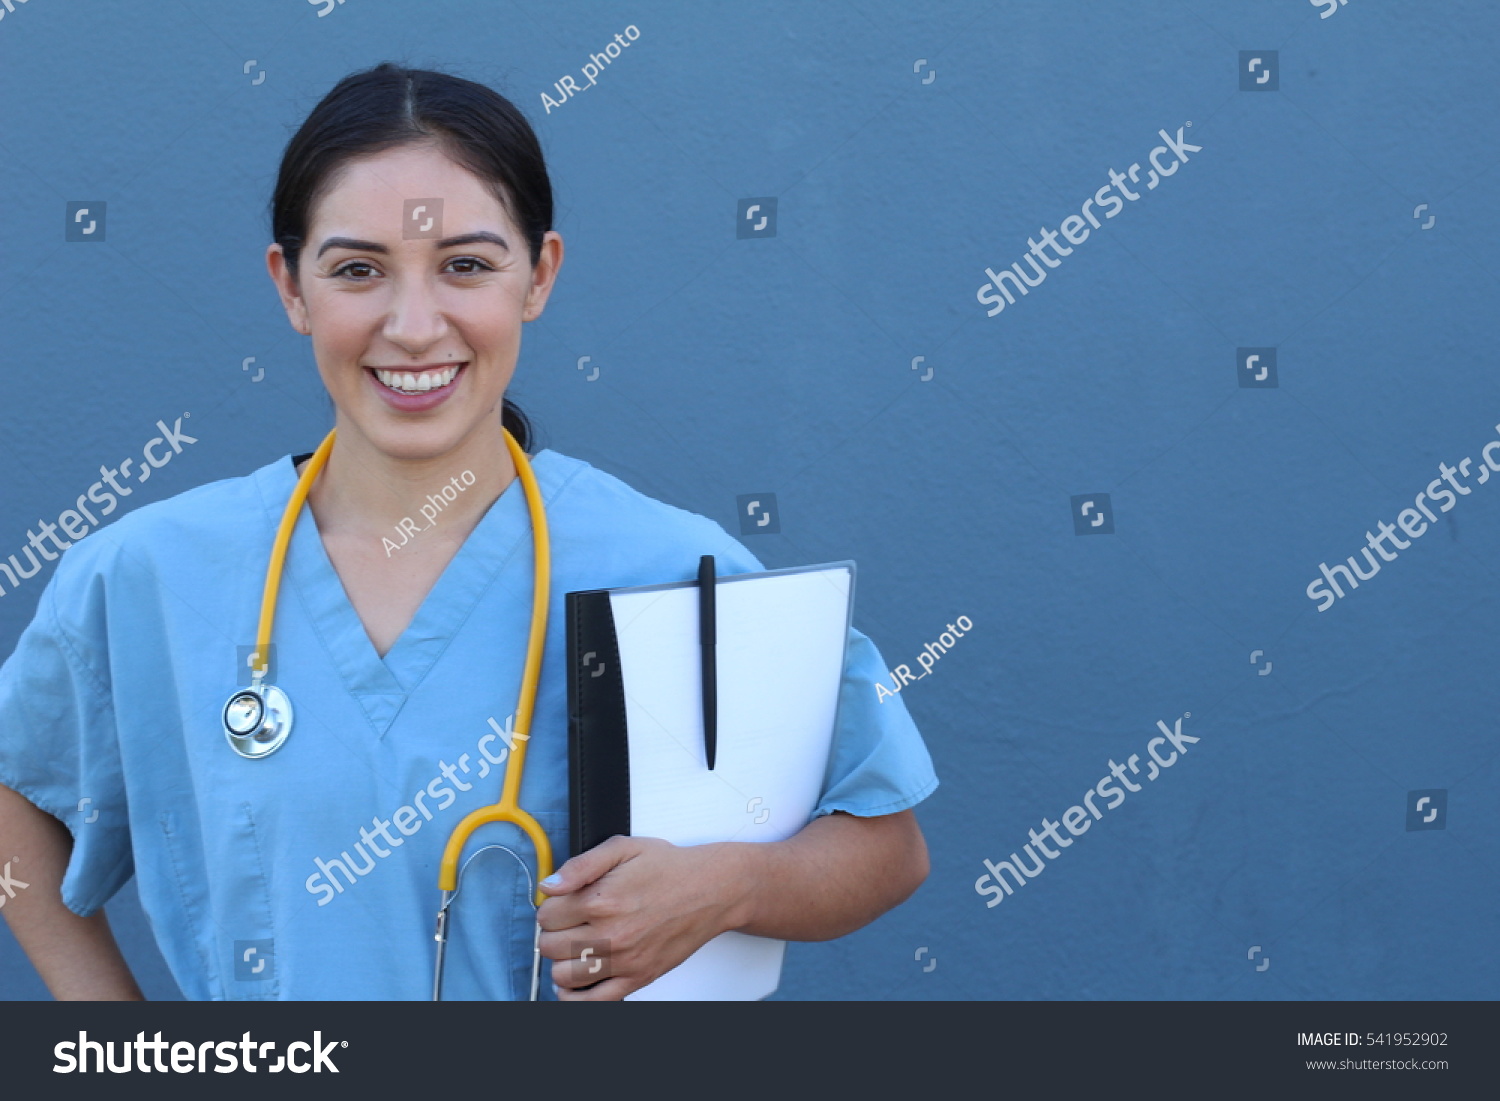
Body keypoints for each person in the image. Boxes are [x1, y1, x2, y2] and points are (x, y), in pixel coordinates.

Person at [0, 62, 936, 1001]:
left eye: (467, 265)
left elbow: (886, 843)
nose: (413, 326)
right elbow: (15, 794)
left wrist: (735, 885)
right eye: (358, 269)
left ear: (539, 275)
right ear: (291, 288)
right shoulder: (150, 578)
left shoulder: (672, 568)